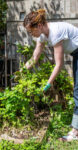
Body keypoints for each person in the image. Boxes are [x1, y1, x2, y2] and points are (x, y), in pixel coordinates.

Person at [23, 9, 78, 141]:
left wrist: (48, 83)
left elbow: (59, 65)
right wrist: (23, 70)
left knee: (77, 92)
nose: (31, 34)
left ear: (39, 26)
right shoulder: (42, 35)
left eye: (31, 31)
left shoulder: (55, 32)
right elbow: (35, 57)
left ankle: (75, 132)